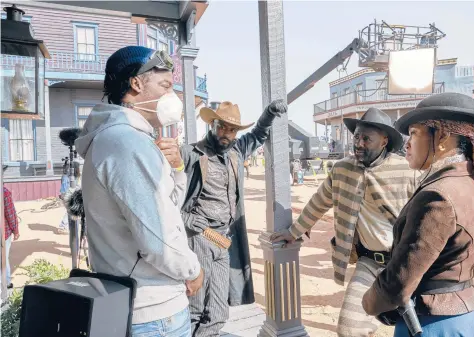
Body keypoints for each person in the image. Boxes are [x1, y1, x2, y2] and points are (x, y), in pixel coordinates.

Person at [361, 93, 474, 336]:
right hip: (471, 315)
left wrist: (370, 301)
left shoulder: (438, 196)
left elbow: (399, 282)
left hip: (436, 323)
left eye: (414, 133)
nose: (407, 144)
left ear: (443, 136)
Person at [75, 46, 203, 337]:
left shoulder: (126, 139)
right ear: (136, 83)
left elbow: (167, 208)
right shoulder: (125, 143)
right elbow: (157, 239)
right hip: (152, 311)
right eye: (165, 86)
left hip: (137, 299)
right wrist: (192, 269)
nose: (173, 96)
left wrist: (177, 171)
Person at [271, 107, 416, 337]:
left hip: (405, 265)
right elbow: (319, 202)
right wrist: (295, 230)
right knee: (349, 328)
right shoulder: (342, 170)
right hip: (368, 263)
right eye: (356, 137)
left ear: (384, 141)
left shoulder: (408, 171)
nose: (358, 144)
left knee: (415, 328)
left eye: (366, 139)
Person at [179, 100, 287, 336]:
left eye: (231, 129)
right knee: (195, 309)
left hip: (223, 240)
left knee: (218, 312)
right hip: (199, 237)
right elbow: (161, 193)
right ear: (212, 125)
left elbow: (258, 134)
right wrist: (185, 218)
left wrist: (269, 113)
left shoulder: (236, 151)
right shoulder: (192, 153)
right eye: (221, 127)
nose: (226, 133)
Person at [3, 165, 20, 289]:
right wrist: (16, 230)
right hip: (3, 232)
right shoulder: (4, 192)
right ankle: (6, 282)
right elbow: (10, 214)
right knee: (3, 258)